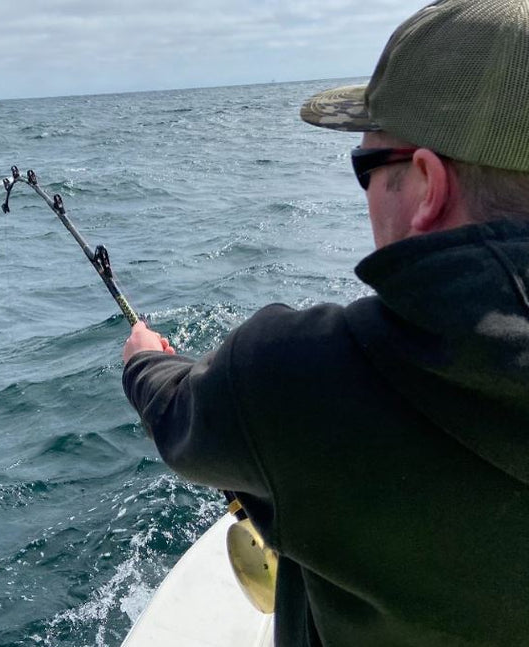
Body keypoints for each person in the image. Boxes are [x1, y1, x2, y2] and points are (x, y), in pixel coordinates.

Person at [122, 0, 529, 644]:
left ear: (426, 183)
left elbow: (177, 413)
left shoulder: (298, 373)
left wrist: (143, 357)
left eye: (367, 167)